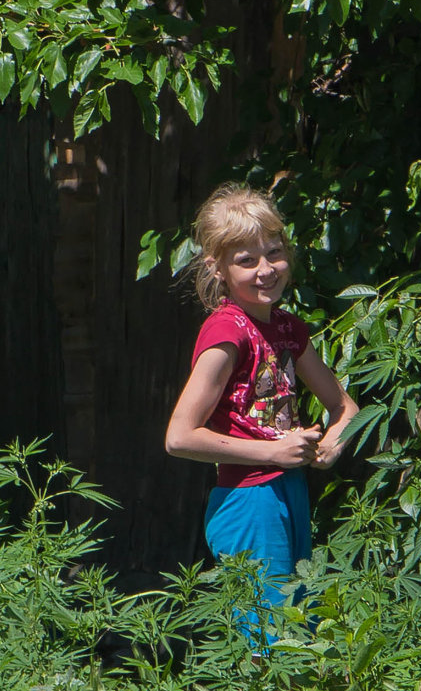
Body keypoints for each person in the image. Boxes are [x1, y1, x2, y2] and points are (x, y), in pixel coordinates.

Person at [165, 183, 358, 644]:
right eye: (246, 260)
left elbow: (346, 407)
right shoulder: (227, 330)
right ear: (218, 268)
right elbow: (179, 436)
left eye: (274, 253)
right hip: (247, 500)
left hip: (288, 487)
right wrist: (274, 451)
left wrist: (332, 445)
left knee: (301, 633)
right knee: (269, 644)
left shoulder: (289, 328)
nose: (265, 270)